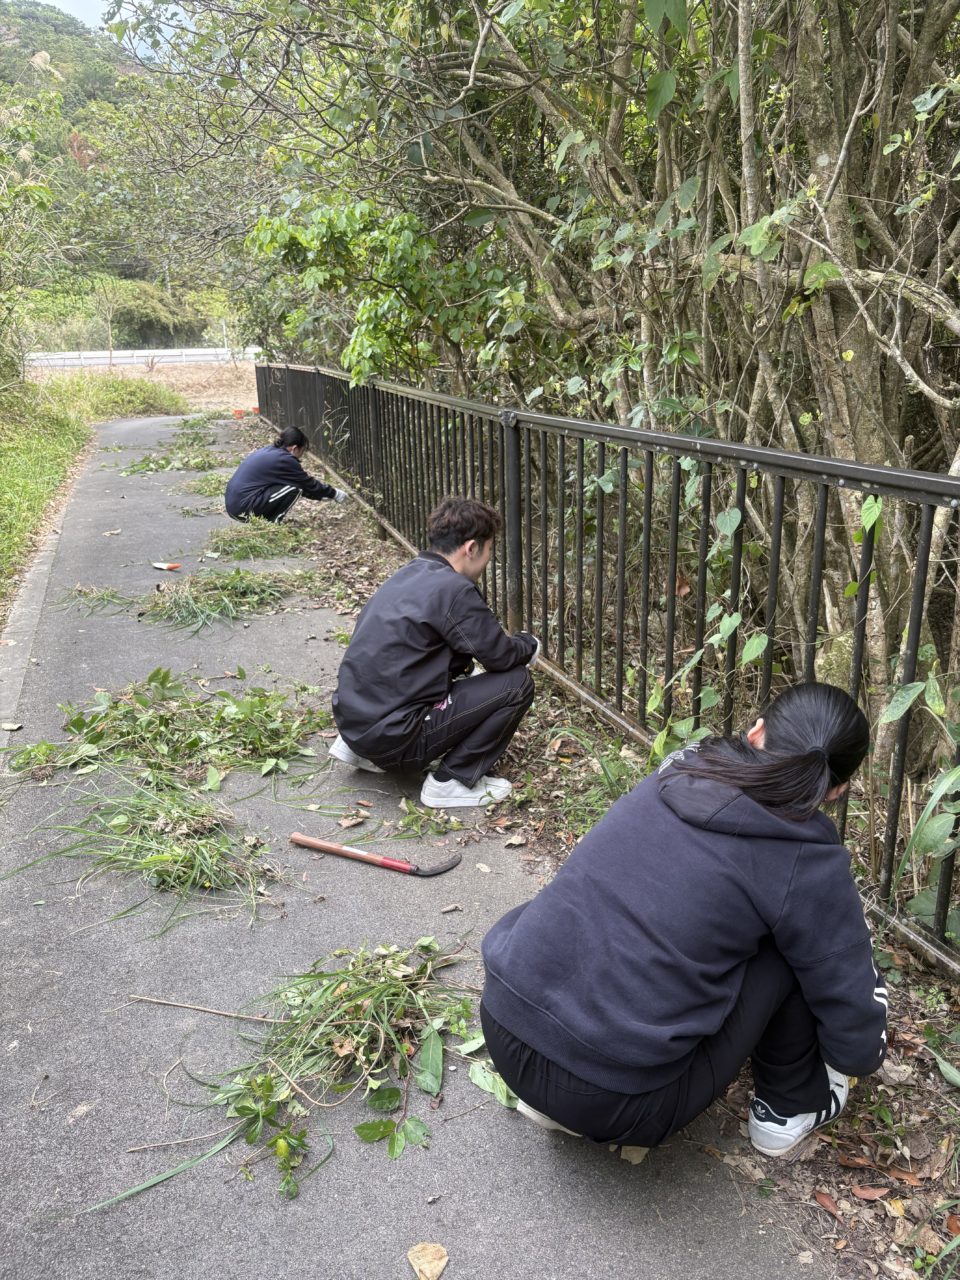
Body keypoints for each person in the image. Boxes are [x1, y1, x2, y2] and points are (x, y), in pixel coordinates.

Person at [480, 682, 888, 1158]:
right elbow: (850, 1011)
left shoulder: (682, 767)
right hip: (613, 1101)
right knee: (793, 949)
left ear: (757, 732)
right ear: (836, 790)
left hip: (504, 1022)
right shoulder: (805, 858)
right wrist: (860, 1053)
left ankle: (558, 1083)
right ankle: (790, 1106)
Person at [329, 495, 539, 808]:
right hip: (395, 740)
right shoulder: (454, 589)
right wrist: (529, 644)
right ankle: (451, 781)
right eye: (489, 550)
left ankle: (359, 748)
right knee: (517, 683)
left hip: (353, 723)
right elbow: (500, 657)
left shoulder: (408, 573)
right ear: (471, 548)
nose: (487, 560)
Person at [225, 426, 348, 523]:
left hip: (236, 506)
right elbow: (305, 484)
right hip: (243, 510)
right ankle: (273, 523)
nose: (301, 455)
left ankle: (266, 520)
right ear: (295, 448)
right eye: (302, 451)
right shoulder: (285, 460)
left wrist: (320, 496)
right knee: (295, 488)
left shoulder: (271, 451)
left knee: (294, 487)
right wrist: (334, 493)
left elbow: (297, 483)